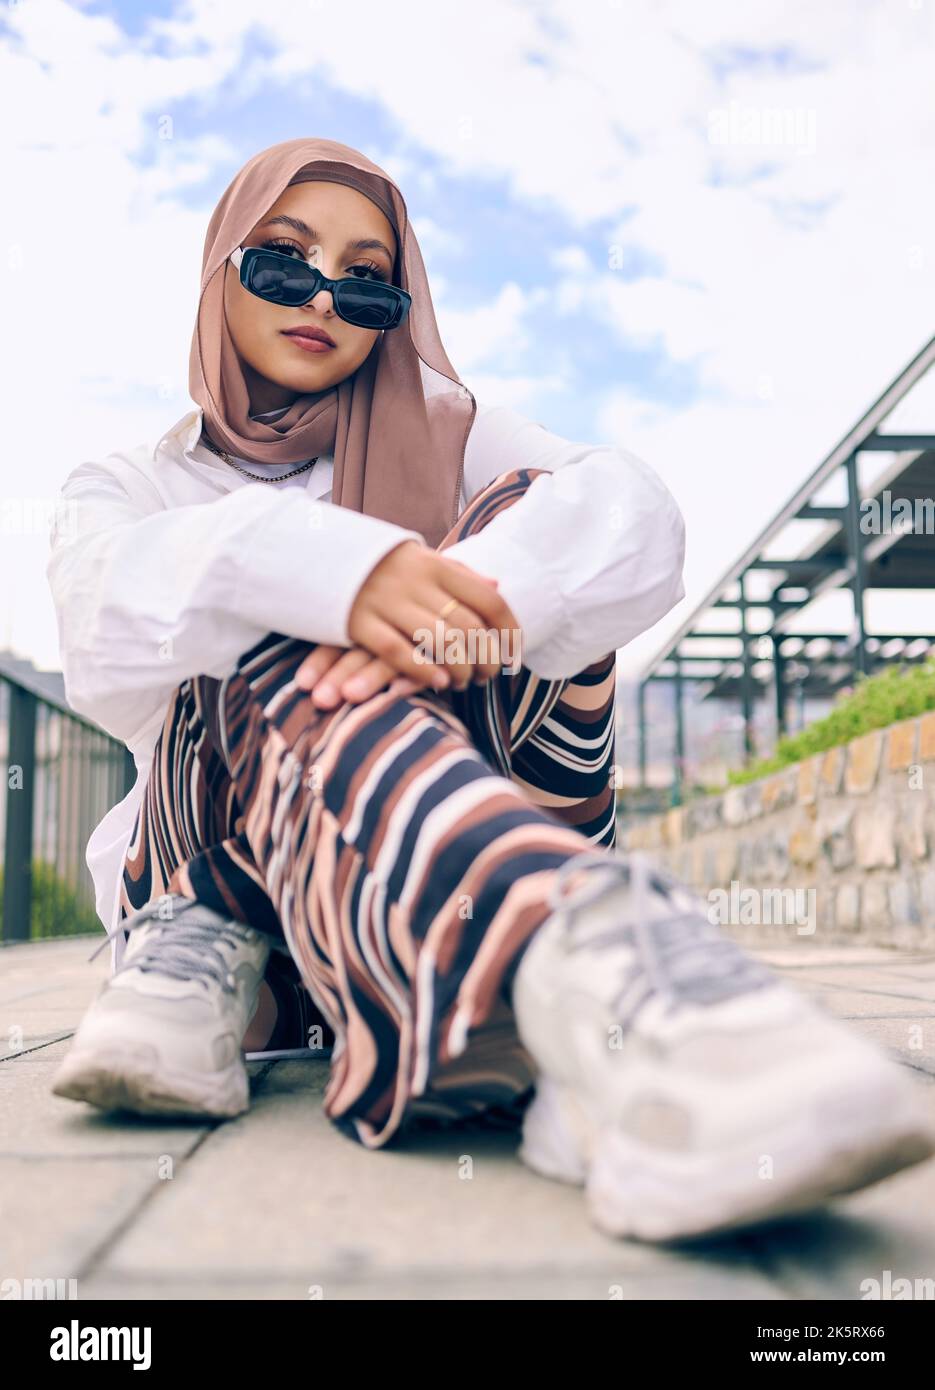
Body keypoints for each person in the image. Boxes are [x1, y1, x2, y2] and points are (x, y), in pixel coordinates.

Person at [46, 137, 934, 1244]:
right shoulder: (131, 483)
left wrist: (449, 602)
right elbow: (101, 624)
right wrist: (330, 574)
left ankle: (557, 1003)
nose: (324, 293)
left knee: (533, 512)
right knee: (267, 621)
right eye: (281, 261)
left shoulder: (453, 435)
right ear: (219, 268)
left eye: (366, 278)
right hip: (234, 884)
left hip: (418, 871)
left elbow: (633, 510)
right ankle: (590, 990)